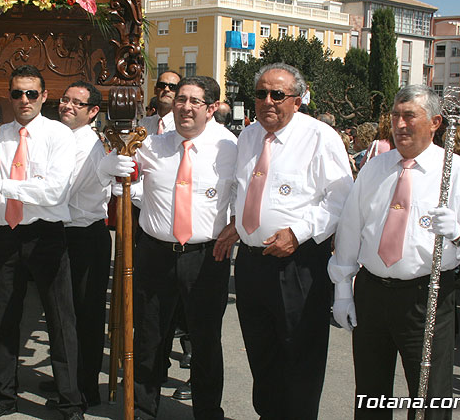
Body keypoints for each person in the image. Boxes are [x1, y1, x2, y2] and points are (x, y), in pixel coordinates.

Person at [328, 85, 460, 419]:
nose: (399, 125)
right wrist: (343, 290)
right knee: (370, 392)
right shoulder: (375, 167)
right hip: (373, 293)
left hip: (426, 295)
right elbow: (351, 229)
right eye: (395, 116)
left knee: (429, 394)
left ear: (435, 122)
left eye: (409, 116)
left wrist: (458, 232)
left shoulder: (456, 172)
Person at [99, 75, 237, 420]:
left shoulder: (229, 149)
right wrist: (112, 168)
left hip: (206, 257)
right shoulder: (152, 145)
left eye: (195, 101)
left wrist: (237, 226)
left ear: (212, 109)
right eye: (181, 100)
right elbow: (111, 172)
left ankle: (207, 411)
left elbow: (247, 192)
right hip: (155, 253)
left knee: (205, 342)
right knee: (149, 337)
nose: (186, 107)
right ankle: (143, 408)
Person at [221, 63, 353, 419]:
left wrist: (299, 233)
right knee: (261, 351)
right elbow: (243, 187)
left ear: (297, 100)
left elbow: (341, 197)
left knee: (299, 355)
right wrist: (238, 221)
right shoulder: (249, 136)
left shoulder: (320, 137)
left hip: (298, 264)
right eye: (261, 93)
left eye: (277, 95)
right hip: (251, 263)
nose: (268, 101)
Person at [0, 65, 84, 420]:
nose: (24, 100)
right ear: (9, 95)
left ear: (44, 96)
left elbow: (53, 190)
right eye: (17, 93)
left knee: (60, 320)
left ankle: (70, 401)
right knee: (4, 316)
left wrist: (1, 185)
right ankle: (3, 394)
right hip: (5, 232)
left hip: (45, 234)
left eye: (31, 93)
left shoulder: (58, 135)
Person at [57, 81, 111, 407]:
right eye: (65, 100)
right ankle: (70, 383)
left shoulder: (89, 145)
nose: (68, 106)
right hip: (63, 234)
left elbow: (62, 190)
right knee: (65, 314)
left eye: (77, 103)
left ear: (93, 112)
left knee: (85, 316)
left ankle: (84, 388)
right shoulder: (59, 138)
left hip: (84, 236)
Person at [138, 70, 181, 135]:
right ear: (155, 90)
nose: (166, 89)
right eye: (162, 85)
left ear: (179, 93)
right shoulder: (143, 124)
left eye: (173, 87)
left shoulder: (182, 126)